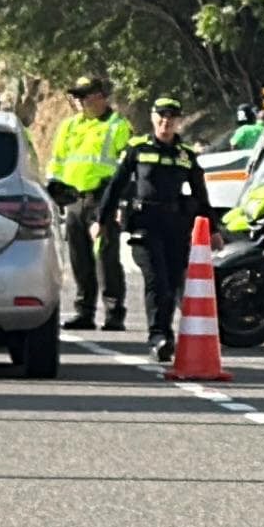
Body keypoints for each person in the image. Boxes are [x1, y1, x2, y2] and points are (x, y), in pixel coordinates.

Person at [98, 97, 216, 364]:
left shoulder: (186, 155)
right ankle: (157, 337)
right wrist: (102, 219)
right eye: (161, 116)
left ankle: (166, 334)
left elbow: (200, 194)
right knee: (157, 280)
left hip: (174, 226)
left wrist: (214, 229)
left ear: (178, 121)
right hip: (144, 223)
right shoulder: (137, 149)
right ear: (153, 118)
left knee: (173, 283)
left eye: (172, 117)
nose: (166, 122)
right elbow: (115, 186)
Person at [46, 77, 131, 332]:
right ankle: (84, 311)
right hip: (73, 199)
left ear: (101, 96)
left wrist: (118, 203)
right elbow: (58, 161)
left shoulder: (118, 127)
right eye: (78, 96)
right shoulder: (69, 126)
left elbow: (126, 169)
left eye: (85, 95)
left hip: (101, 198)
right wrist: (55, 189)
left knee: (106, 257)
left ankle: (114, 312)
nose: (80, 101)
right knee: (79, 258)